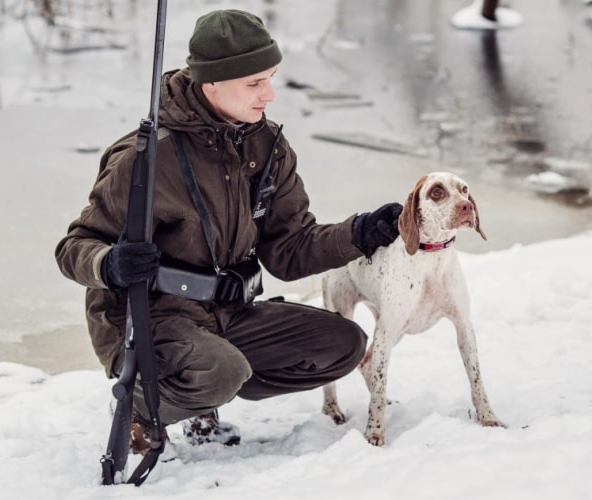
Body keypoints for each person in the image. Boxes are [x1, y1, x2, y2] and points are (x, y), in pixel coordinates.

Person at [54, 9, 401, 453]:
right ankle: (143, 405)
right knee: (220, 370)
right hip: (149, 321)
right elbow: (74, 247)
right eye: (254, 83)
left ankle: (206, 386)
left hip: (226, 314)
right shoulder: (147, 156)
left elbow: (289, 251)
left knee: (342, 344)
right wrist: (110, 263)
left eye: (271, 78)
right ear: (211, 82)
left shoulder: (266, 145)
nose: (269, 95)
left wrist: (360, 233)